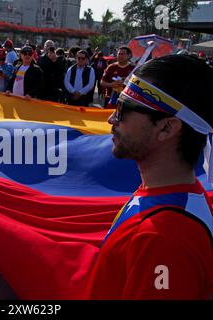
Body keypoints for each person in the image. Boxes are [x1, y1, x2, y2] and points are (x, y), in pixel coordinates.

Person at [85, 54, 213, 299]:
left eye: (122, 109)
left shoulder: (165, 238)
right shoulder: (169, 195)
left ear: (167, 127)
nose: (112, 118)